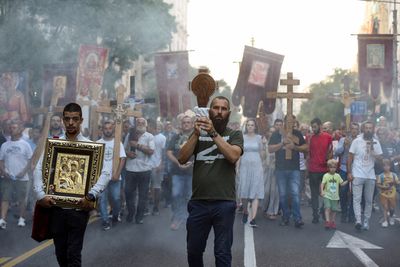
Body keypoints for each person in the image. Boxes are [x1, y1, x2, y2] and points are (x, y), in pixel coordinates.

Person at [33, 102, 110, 266]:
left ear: (81, 120)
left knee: (73, 254)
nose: (71, 123)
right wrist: (41, 195)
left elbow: (106, 172)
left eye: (75, 119)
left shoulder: (90, 147)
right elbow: (38, 169)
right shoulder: (54, 145)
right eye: (67, 119)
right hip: (56, 209)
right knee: (60, 253)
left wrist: (91, 195)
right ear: (63, 120)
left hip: (78, 209)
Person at [178, 96, 243, 267]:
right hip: (199, 202)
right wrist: (196, 134)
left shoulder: (234, 134)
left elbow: (233, 156)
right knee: (193, 251)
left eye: (223, 109)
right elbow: (182, 158)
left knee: (222, 252)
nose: (219, 112)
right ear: (209, 110)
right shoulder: (198, 133)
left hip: (224, 202)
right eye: (216, 108)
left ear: (228, 113)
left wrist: (213, 132)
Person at [268, 115, 308, 228]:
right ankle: (285, 217)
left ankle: (297, 218)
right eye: (289, 121)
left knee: (295, 194)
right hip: (280, 168)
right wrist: (282, 143)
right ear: (284, 122)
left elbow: (306, 147)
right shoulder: (277, 133)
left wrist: (294, 147)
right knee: (283, 194)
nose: (291, 123)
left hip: (294, 168)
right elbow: (270, 149)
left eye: (293, 122)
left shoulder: (297, 133)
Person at [347, 121, 383, 231]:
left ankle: (366, 221)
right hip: (357, 174)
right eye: (366, 128)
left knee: (368, 200)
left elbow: (381, 160)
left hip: (370, 175)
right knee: (356, 199)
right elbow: (350, 157)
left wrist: (373, 151)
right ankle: (358, 220)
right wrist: (349, 172)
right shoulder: (356, 141)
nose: (368, 130)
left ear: (373, 129)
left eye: (370, 128)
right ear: (363, 129)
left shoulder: (376, 142)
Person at [0, 120, 32, 229]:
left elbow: (30, 160)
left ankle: (21, 219)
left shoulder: (25, 145)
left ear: (19, 130)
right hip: (8, 176)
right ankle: (2, 220)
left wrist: (23, 172)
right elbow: (1, 160)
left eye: (14, 127)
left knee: (21, 199)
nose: (11, 129)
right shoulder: (5, 145)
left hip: (22, 177)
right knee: (5, 198)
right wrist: (4, 172)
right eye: (10, 127)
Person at [124, 117, 155, 224]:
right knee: (128, 192)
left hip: (144, 170)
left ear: (146, 125)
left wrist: (137, 145)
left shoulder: (149, 136)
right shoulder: (129, 135)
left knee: (143, 195)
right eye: (138, 123)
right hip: (130, 169)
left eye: (142, 123)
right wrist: (128, 153)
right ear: (136, 124)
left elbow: (151, 151)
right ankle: (131, 212)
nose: (140, 124)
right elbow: (124, 149)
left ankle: (139, 216)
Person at [97, 120, 126, 230]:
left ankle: (115, 215)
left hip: (115, 176)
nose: (108, 130)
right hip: (102, 177)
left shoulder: (117, 143)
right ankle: (105, 220)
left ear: (113, 129)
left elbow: (122, 158)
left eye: (110, 128)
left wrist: (117, 173)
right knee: (102, 199)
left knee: (116, 198)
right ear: (102, 130)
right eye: (106, 128)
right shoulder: (98, 143)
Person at [167, 115, 194, 230]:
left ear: (192, 124)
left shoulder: (196, 138)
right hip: (177, 172)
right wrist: (178, 162)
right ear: (181, 125)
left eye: (188, 122)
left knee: (189, 196)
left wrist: (192, 162)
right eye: (184, 122)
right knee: (176, 194)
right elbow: (168, 152)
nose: (186, 124)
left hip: (192, 172)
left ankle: (189, 218)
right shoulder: (175, 137)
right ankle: (178, 217)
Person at [238, 118, 264, 227]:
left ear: (255, 127)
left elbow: (262, 153)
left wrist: (265, 145)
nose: (250, 127)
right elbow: (239, 153)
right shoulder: (242, 138)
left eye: (252, 125)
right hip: (244, 165)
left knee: (255, 192)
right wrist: (237, 167)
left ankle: (253, 219)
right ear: (246, 127)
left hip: (256, 166)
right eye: (248, 125)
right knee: (244, 192)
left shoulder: (259, 138)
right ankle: (245, 211)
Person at [308, 118, 333, 224]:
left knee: (326, 193)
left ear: (320, 126)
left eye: (315, 126)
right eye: (312, 127)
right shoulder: (310, 138)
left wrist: (329, 165)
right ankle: (315, 215)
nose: (313, 129)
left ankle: (323, 209)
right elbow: (308, 153)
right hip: (313, 169)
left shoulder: (328, 137)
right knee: (314, 194)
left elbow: (331, 152)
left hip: (324, 169)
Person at [334, 122, 359, 223]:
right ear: (350, 130)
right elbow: (337, 152)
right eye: (352, 128)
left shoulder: (359, 141)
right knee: (343, 192)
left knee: (355, 193)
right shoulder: (343, 139)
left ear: (358, 130)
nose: (354, 130)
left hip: (356, 169)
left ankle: (352, 214)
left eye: (356, 129)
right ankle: (344, 212)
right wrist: (344, 145)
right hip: (344, 168)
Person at [320, 159, 348, 230]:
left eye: (334, 167)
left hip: (335, 196)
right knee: (328, 207)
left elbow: (341, 184)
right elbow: (322, 184)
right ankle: (327, 221)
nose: (333, 169)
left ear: (336, 168)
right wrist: (322, 191)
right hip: (327, 195)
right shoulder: (326, 176)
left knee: (334, 209)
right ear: (328, 168)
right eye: (331, 167)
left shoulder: (337, 176)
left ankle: (332, 221)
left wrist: (348, 180)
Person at [148, 120, 166, 215]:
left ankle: (156, 207)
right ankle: (149, 204)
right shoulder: (147, 136)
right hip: (147, 165)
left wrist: (161, 164)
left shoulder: (162, 138)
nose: (148, 129)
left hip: (157, 165)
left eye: (150, 127)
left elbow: (164, 153)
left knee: (157, 187)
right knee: (149, 187)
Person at [376, 159, 399, 227]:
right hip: (384, 193)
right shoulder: (381, 176)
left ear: (390, 166)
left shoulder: (394, 175)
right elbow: (378, 184)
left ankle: (391, 217)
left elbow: (397, 182)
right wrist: (383, 186)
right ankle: (385, 221)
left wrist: (394, 182)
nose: (386, 167)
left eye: (387, 166)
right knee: (385, 207)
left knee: (392, 207)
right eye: (384, 166)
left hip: (392, 194)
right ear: (383, 167)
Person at [263, 125, 280, 220]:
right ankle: (265, 208)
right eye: (270, 131)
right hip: (265, 170)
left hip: (275, 169)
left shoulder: (278, 143)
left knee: (274, 191)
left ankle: (272, 211)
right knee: (266, 191)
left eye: (273, 132)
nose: (272, 133)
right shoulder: (264, 143)